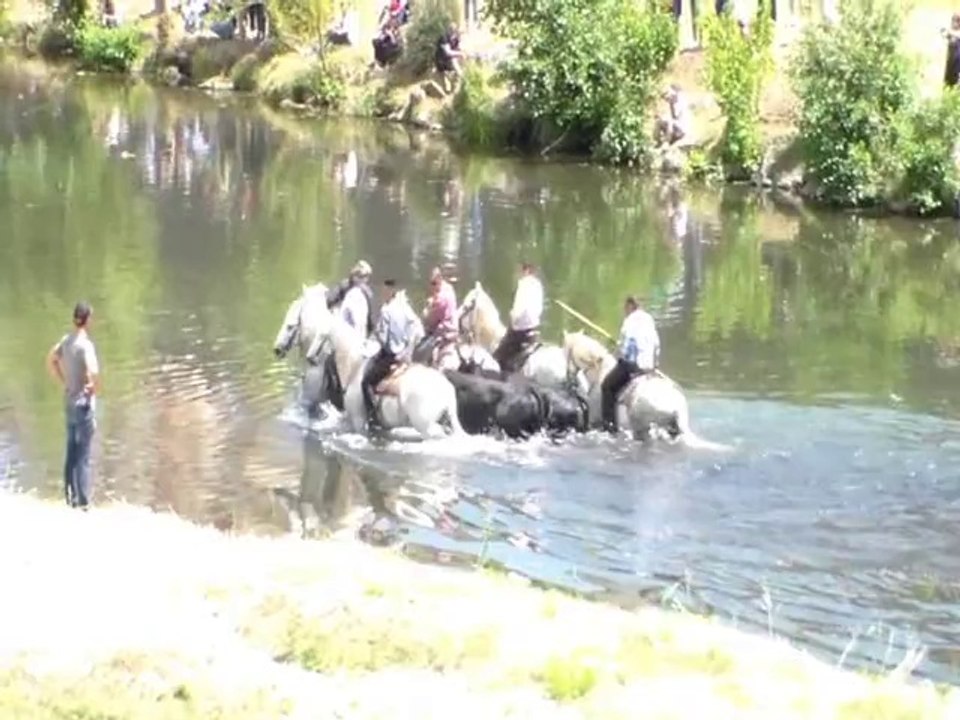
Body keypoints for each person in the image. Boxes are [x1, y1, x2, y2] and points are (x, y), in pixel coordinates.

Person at [46, 302, 100, 510]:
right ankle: (84, 502)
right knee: (84, 454)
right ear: (88, 320)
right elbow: (94, 374)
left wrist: (64, 381)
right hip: (83, 403)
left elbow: (51, 360)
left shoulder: (66, 341)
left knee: (71, 450)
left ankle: (70, 498)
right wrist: (93, 388)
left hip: (68, 400)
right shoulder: (85, 345)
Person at [362, 279, 420, 431]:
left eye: (384, 291)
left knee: (366, 382)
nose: (382, 294)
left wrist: (372, 340)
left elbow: (383, 338)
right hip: (405, 356)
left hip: (390, 356)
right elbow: (417, 330)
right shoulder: (405, 309)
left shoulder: (386, 310)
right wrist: (408, 350)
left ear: (389, 292)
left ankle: (373, 418)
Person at [601, 296, 660, 434]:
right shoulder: (649, 319)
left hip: (632, 366)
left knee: (607, 386)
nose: (624, 311)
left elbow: (625, 349)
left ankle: (609, 427)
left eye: (625, 308)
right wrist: (655, 365)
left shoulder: (629, 321)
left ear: (630, 306)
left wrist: (615, 353)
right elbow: (657, 344)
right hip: (648, 367)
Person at [493, 262, 543, 376]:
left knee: (497, 358)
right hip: (534, 327)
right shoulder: (537, 284)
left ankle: (503, 377)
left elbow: (519, 309)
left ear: (525, 270)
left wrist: (512, 316)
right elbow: (539, 308)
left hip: (520, 330)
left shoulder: (523, 284)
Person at [419, 266, 458, 365]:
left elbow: (430, 321)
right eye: (431, 283)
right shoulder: (449, 288)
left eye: (433, 283)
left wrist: (427, 309)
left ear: (439, 280)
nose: (431, 286)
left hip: (442, 333)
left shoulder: (440, 300)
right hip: (454, 329)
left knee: (418, 354)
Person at [326, 260, 374, 336]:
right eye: (362, 276)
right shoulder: (346, 285)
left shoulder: (366, 293)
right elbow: (330, 300)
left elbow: (329, 301)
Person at [434, 22, 464, 93]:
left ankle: (455, 89)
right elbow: (448, 52)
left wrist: (461, 52)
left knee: (458, 66)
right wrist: (460, 54)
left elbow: (459, 49)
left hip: (449, 60)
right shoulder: (444, 38)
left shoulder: (456, 39)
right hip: (441, 60)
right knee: (445, 87)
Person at [944, 13, 960, 87]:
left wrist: (950, 33)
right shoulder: (951, 34)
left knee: (956, 82)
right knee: (947, 82)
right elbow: (943, 33)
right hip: (950, 62)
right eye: (952, 21)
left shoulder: (955, 34)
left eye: (956, 22)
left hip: (958, 64)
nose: (954, 24)